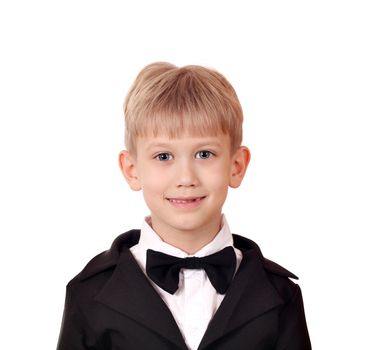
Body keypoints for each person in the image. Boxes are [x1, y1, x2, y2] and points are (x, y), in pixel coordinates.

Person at [56, 62, 311, 350]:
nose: (186, 178)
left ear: (236, 166)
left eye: (205, 153)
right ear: (131, 169)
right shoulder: (89, 293)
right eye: (164, 156)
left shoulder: (280, 294)